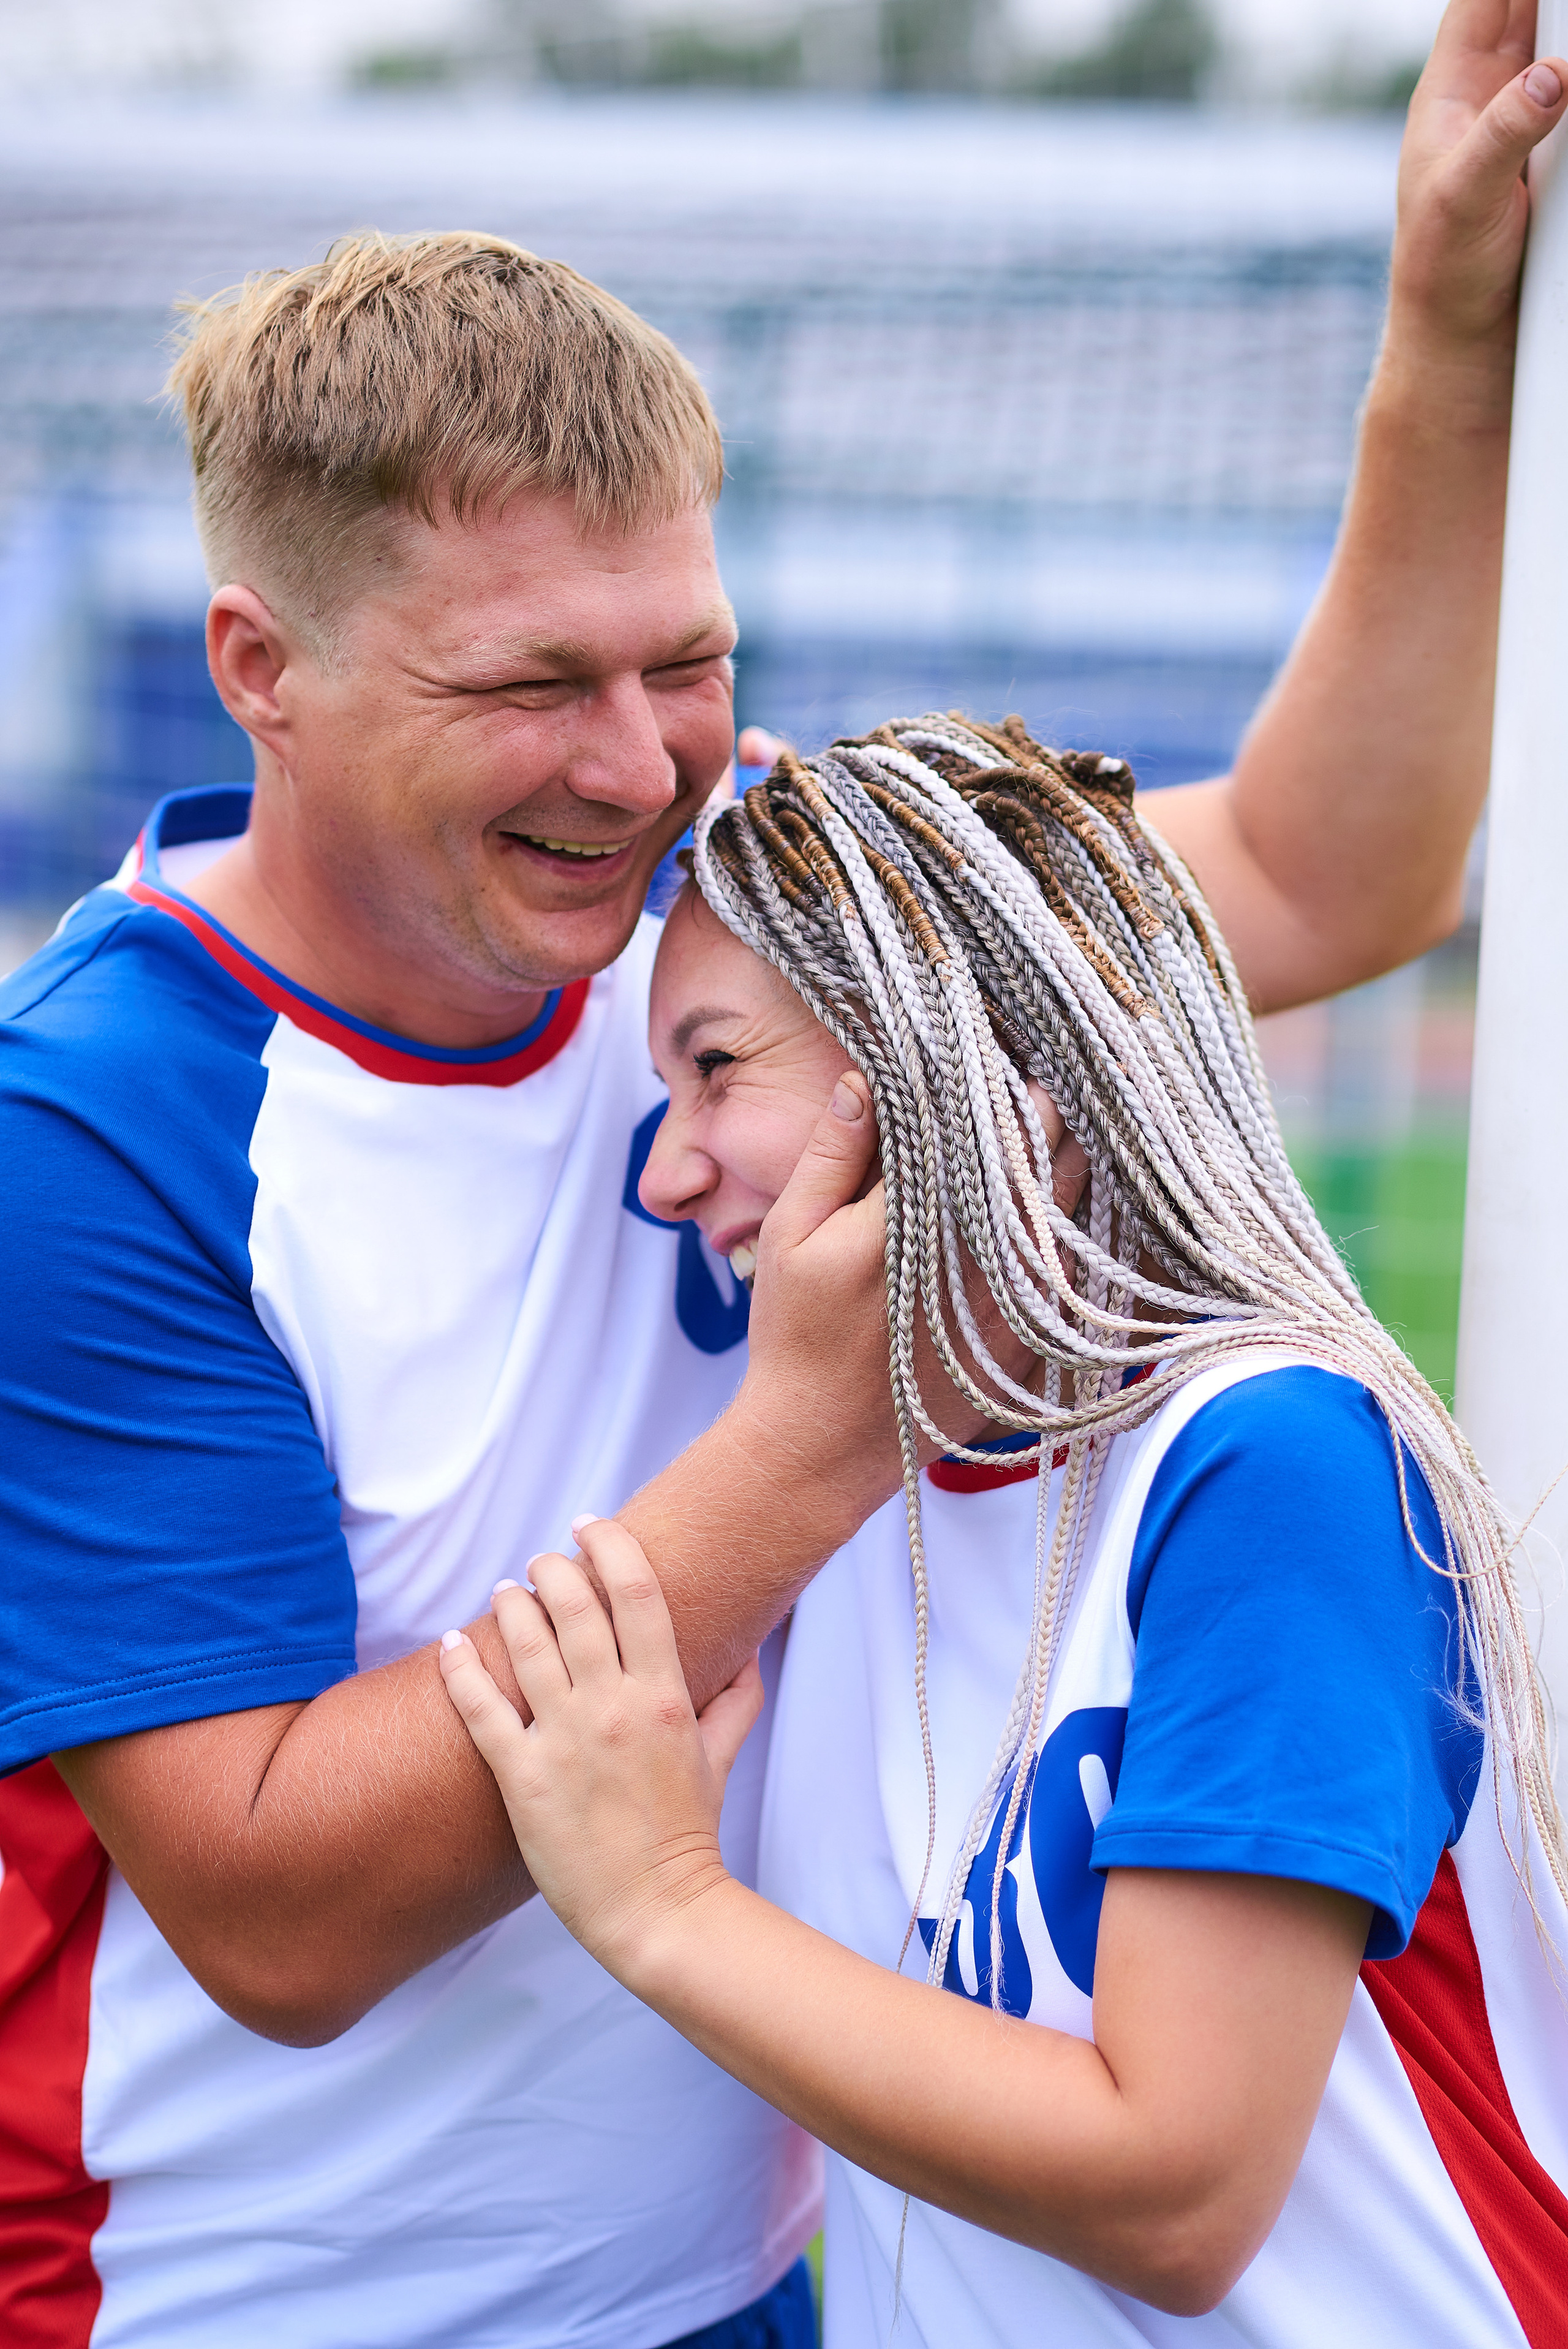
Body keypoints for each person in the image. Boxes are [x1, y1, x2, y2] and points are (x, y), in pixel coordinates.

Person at [0, 6, 1562, 2342]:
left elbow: (1335, 873)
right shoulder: (92, 1134)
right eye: (533, 682)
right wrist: (802, 1451)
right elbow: (279, 1913)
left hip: (756, 2285)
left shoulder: (750, 918)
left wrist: (1443, 329)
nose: (639, 767)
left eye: (691, 660)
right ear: (261, 667)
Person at [441, 712, 1568, 2347]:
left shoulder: (1275, 1468)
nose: (668, 1171)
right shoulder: (852, 1496)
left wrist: (664, 1902)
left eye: (712, 1066)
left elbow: (1178, 2187)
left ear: (935, 1055)